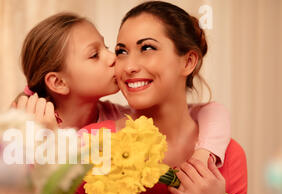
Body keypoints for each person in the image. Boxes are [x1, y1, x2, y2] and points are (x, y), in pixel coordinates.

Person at [72, 1, 247, 194]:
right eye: (121, 52)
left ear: (188, 61)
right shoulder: (94, 141)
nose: (128, 66)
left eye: (147, 48)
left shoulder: (225, 155)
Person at [12, 12, 230, 168]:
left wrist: (204, 153)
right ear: (58, 82)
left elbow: (212, 111)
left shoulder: (117, 120)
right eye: (94, 55)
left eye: (108, 47)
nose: (113, 58)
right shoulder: (25, 129)